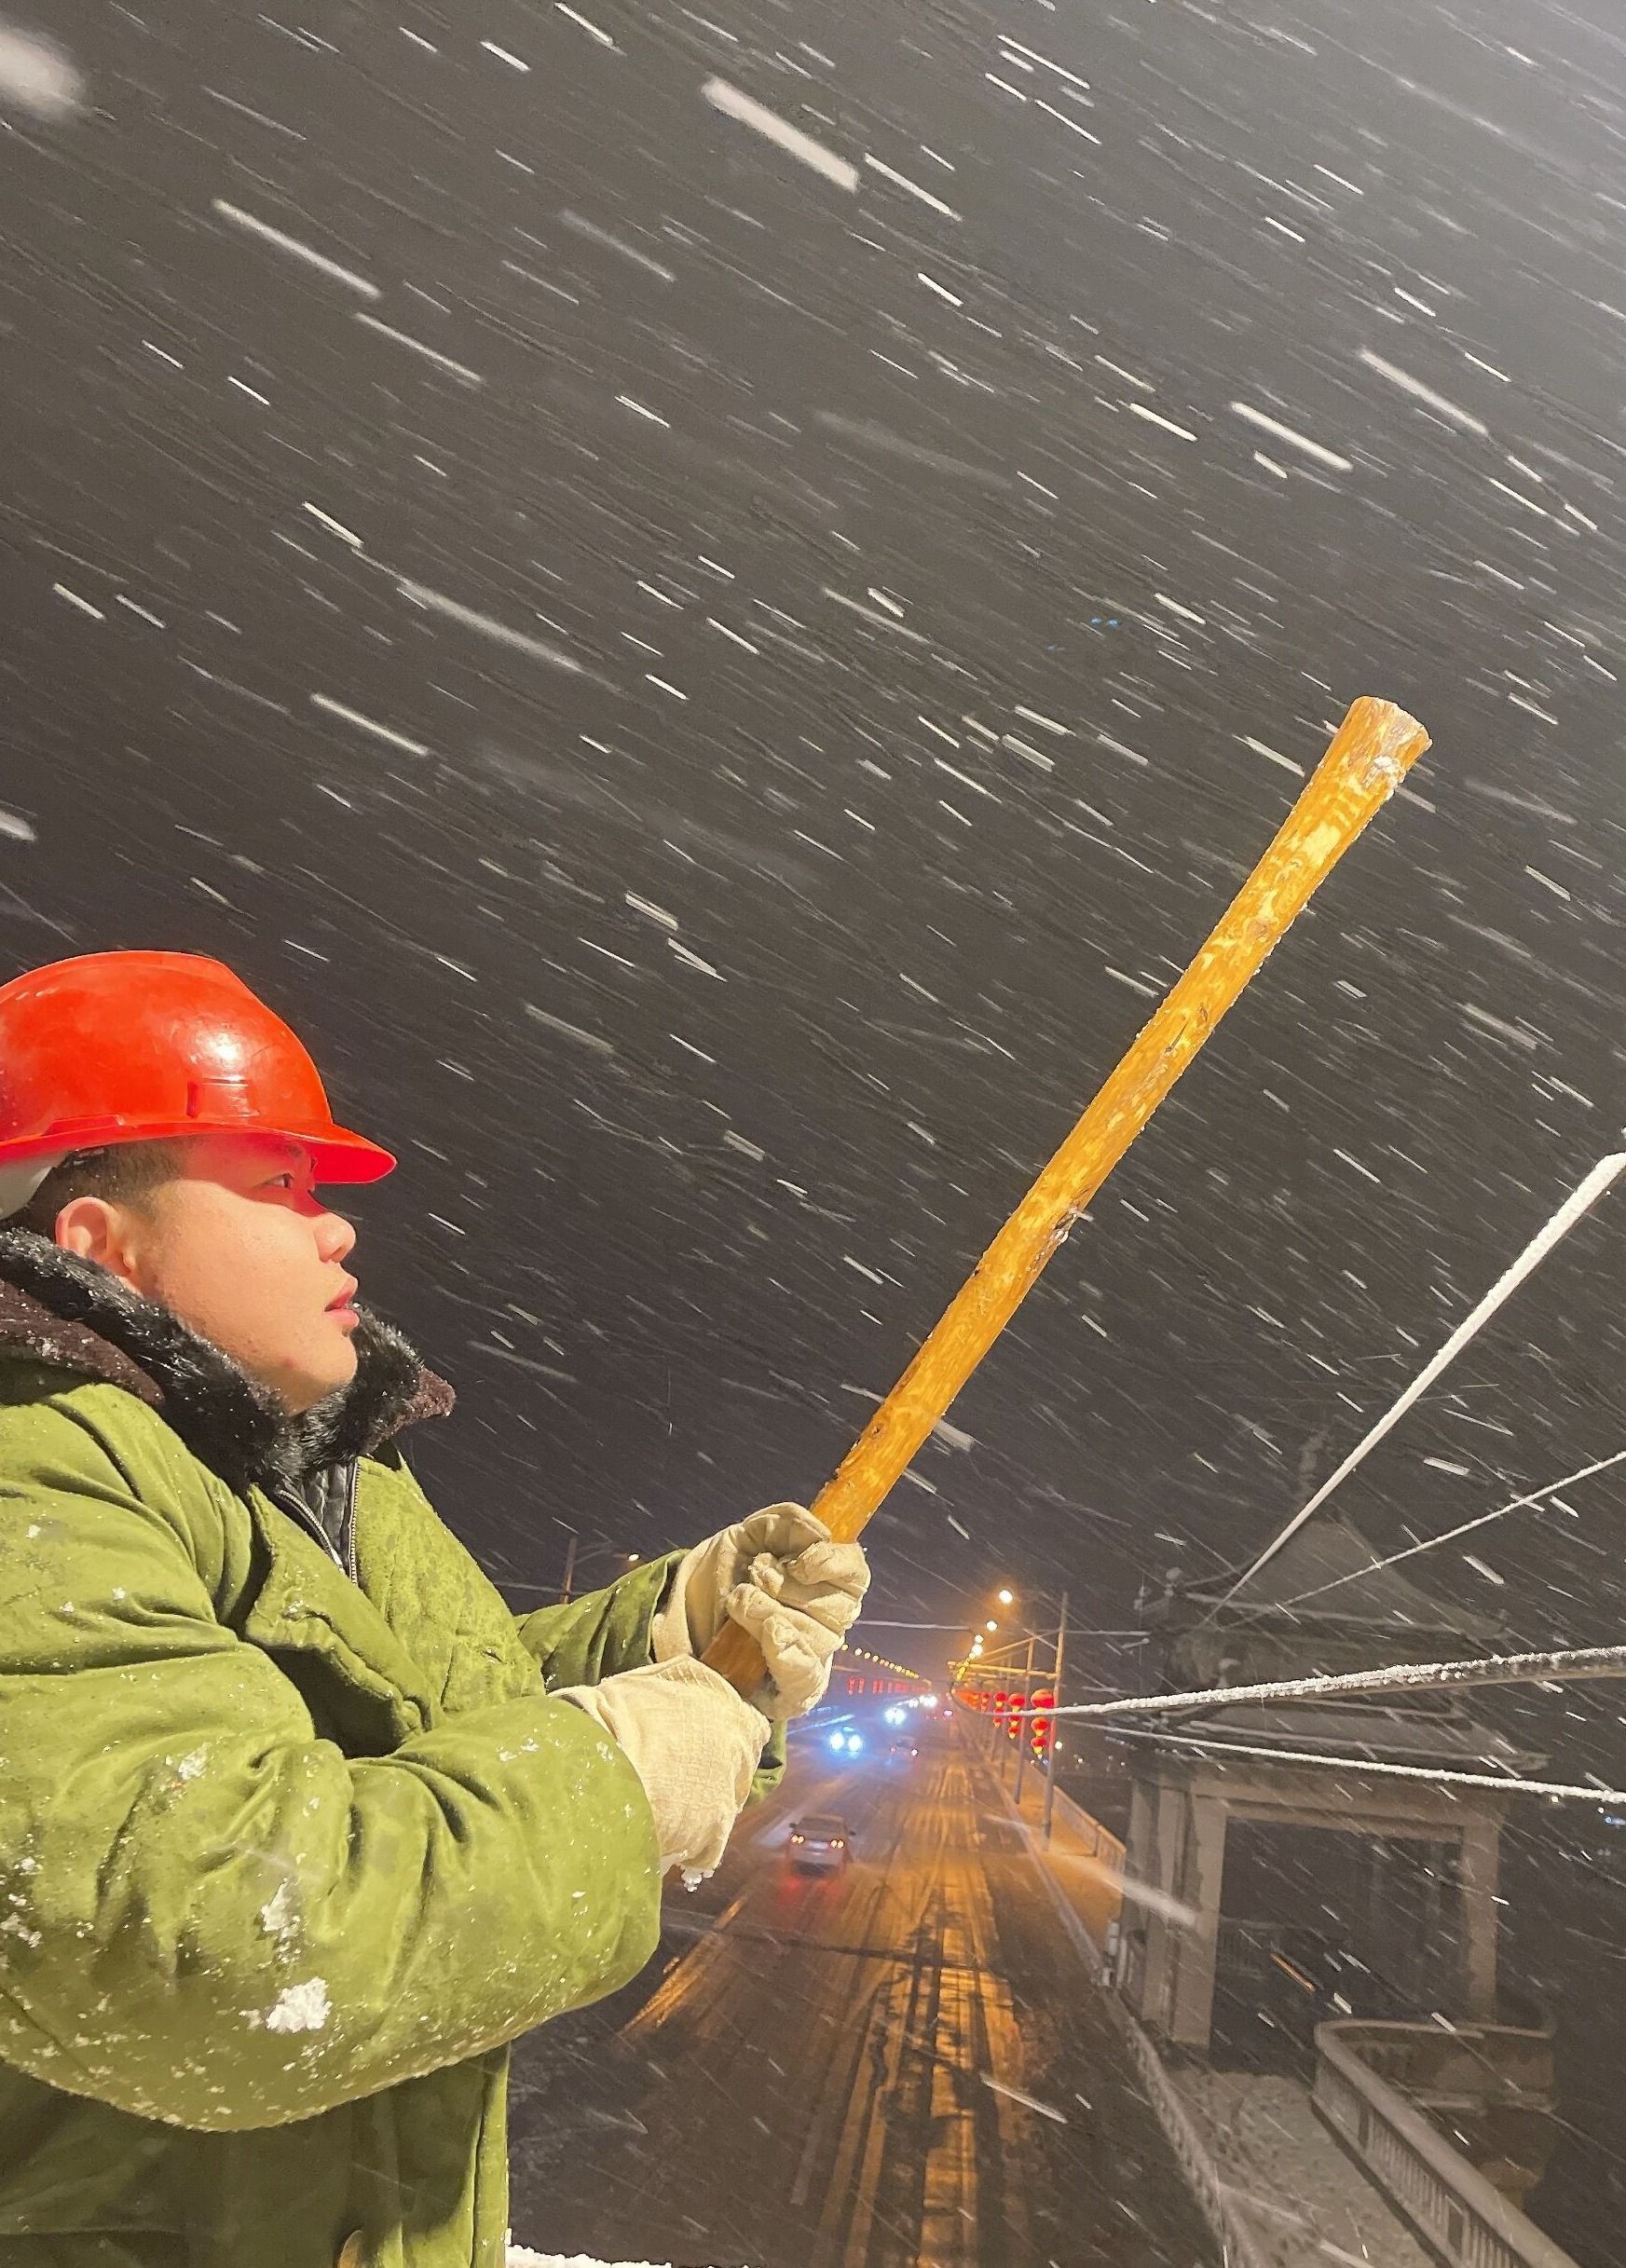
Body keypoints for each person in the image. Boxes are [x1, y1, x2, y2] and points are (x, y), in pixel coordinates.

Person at [0, 951, 869, 2268]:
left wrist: (668, 1637)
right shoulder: (34, 1472)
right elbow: (219, 1945)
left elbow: (413, 1716)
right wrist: (616, 1770)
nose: (335, 1225)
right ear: (99, 1244)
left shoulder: (318, 1470)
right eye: (275, 1183)